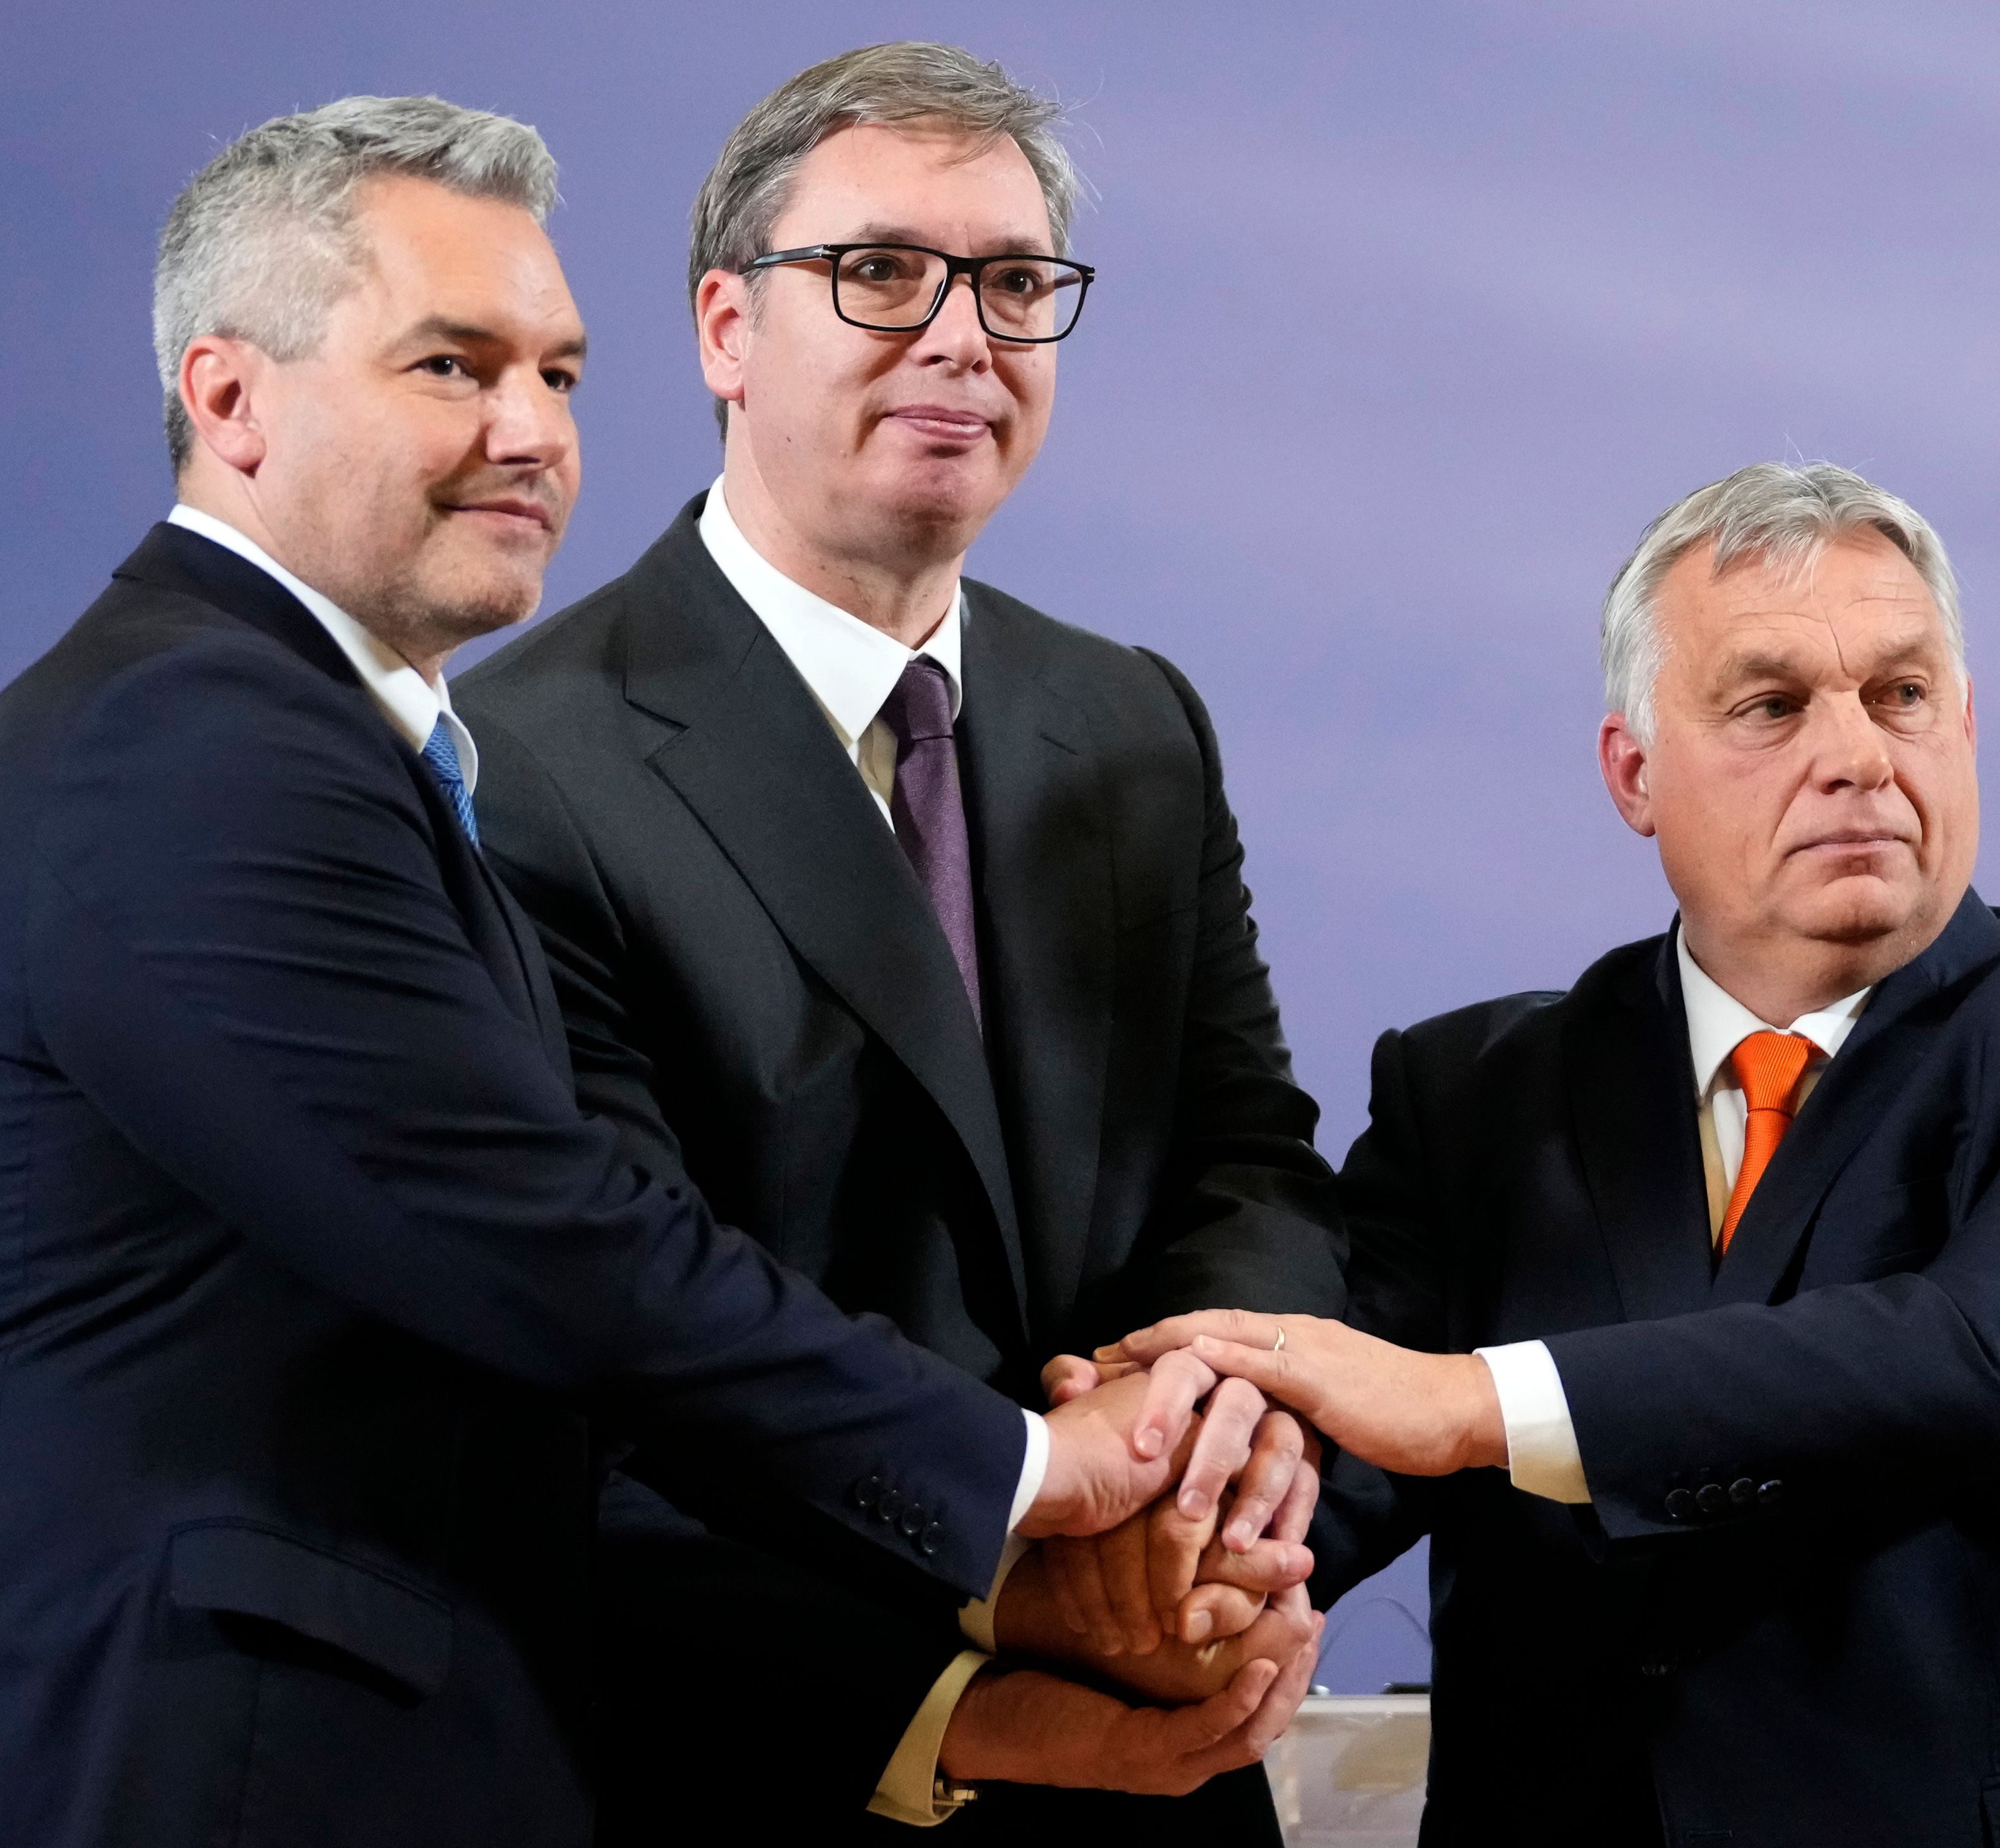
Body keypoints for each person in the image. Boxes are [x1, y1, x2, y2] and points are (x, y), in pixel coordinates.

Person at [0, 95, 1310, 1848]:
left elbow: (1252, 1156)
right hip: (341, 1748)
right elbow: (557, 1241)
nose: (532, 431)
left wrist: (1208, 1468)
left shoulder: (342, 738)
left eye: (556, 374)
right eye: (453, 367)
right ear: (229, 399)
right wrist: (1029, 1488)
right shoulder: (206, 733)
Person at [1113, 462, 2000, 1845]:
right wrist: (1160, 1508)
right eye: (1772, 704)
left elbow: (1971, 1358)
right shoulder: (1475, 1095)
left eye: (1901, 695)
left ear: (1965, 728)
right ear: (1632, 771)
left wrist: (1468, 1404)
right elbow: (1332, 1453)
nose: (1857, 752)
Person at [456, 43, 1344, 1844]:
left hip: (1165, 1746)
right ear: (725, 328)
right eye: (881, 274)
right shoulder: (519, 760)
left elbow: (1249, 1155)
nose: (963, 336)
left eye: (1016, 284)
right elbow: (603, 1352)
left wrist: (1199, 1407)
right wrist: (991, 1640)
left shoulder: (1134, 715)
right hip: (785, 1745)